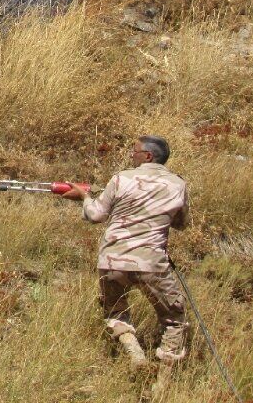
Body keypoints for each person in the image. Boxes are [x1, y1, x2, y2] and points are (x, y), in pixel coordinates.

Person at [61, 135, 189, 369]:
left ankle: (136, 356)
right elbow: (181, 223)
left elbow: (96, 215)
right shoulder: (178, 184)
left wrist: (85, 196)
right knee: (174, 319)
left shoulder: (122, 178)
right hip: (151, 262)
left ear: (148, 156)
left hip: (112, 260)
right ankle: (164, 375)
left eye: (135, 152)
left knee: (115, 312)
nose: (132, 155)